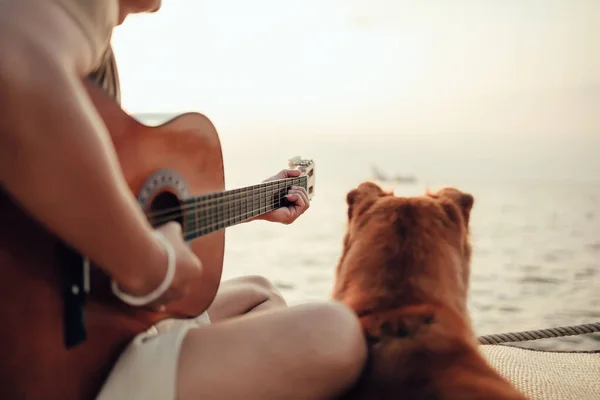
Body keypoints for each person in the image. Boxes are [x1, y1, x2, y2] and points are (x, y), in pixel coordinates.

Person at [0, 0, 367, 399]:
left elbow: (111, 203)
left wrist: (255, 205)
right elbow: (12, 65)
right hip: (59, 361)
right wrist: (153, 268)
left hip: (93, 326)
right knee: (336, 331)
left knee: (260, 294)